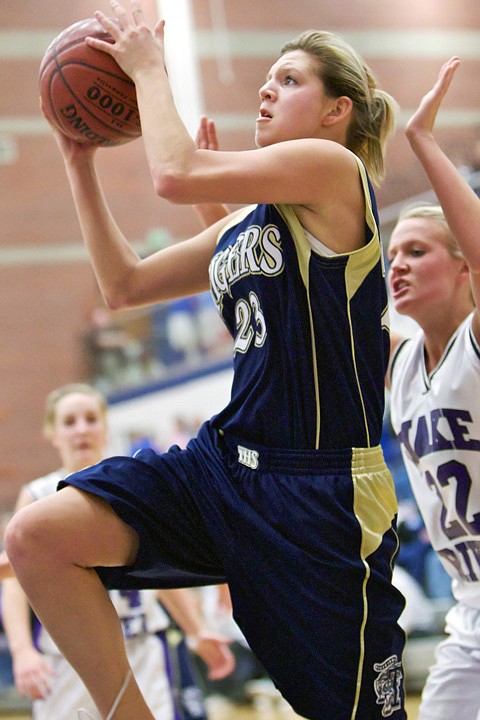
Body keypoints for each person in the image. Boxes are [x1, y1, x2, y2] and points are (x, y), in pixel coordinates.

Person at [5, 2, 406, 719]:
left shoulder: (333, 168)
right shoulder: (248, 223)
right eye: (268, 77)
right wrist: (78, 161)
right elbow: (123, 285)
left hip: (317, 495)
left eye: (288, 80)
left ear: (336, 110)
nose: (266, 89)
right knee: (38, 538)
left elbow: (175, 171)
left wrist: (150, 66)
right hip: (222, 468)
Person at [1, 383, 234, 720]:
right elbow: (15, 584)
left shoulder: (132, 482)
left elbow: (161, 567)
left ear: (105, 427)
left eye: (91, 419)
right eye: (69, 422)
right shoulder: (37, 494)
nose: (82, 429)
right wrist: (23, 651)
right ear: (53, 434)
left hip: (142, 646)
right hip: (70, 657)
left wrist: (196, 630)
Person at [387, 57, 480, 720]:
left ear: (461, 265)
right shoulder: (397, 365)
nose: (396, 264)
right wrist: (213, 212)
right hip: (471, 605)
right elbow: (288, 311)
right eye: (392, 253)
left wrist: (422, 143)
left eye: (416, 250)